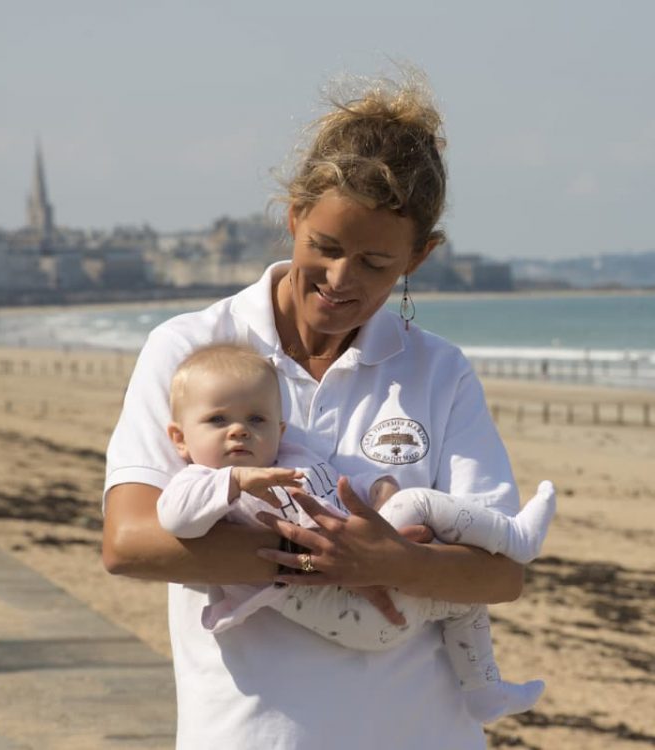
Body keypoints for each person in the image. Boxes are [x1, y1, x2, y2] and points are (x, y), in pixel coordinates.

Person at [103, 68, 535, 750]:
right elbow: (128, 543)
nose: (340, 282)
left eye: (373, 263)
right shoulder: (190, 349)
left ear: (418, 258)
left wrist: (389, 561)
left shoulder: (440, 370)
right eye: (325, 248)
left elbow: (502, 572)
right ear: (294, 215)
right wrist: (319, 556)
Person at [156, 343, 555, 722]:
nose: (239, 431)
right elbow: (176, 518)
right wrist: (237, 480)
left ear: (280, 429)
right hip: (343, 611)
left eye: (256, 420)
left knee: (460, 602)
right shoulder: (200, 480)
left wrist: (379, 487)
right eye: (218, 420)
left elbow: (340, 487)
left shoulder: (294, 462)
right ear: (180, 439)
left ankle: (483, 691)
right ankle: (514, 538)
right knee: (420, 502)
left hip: (374, 610)